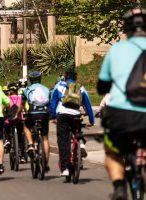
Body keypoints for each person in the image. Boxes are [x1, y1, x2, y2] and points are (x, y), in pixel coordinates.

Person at [97, 8, 146, 200]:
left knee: (113, 151)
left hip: (122, 114)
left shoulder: (117, 49)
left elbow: (102, 86)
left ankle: (119, 186)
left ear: (126, 28)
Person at [50, 67, 94, 177]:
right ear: (76, 78)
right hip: (76, 116)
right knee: (77, 129)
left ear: (65, 77)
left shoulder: (59, 86)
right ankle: (81, 143)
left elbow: (53, 102)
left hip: (63, 115)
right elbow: (88, 106)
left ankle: (65, 168)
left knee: (63, 141)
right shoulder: (81, 88)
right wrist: (92, 120)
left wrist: (53, 116)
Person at [22, 72, 51, 170]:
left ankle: (30, 144)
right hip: (44, 114)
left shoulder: (27, 89)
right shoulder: (46, 89)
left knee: (26, 126)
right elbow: (49, 103)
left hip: (32, 113)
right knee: (45, 138)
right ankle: (46, 163)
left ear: (30, 80)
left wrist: (24, 111)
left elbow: (22, 103)